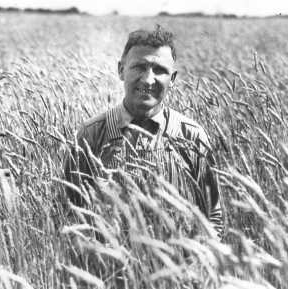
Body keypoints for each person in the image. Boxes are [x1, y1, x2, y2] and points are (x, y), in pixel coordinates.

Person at [64, 25, 223, 240]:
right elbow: (71, 213)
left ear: (173, 79)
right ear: (121, 70)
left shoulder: (190, 136)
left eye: (160, 70)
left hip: (178, 269)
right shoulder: (90, 135)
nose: (149, 80)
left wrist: (197, 265)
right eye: (139, 67)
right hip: (107, 271)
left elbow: (212, 216)